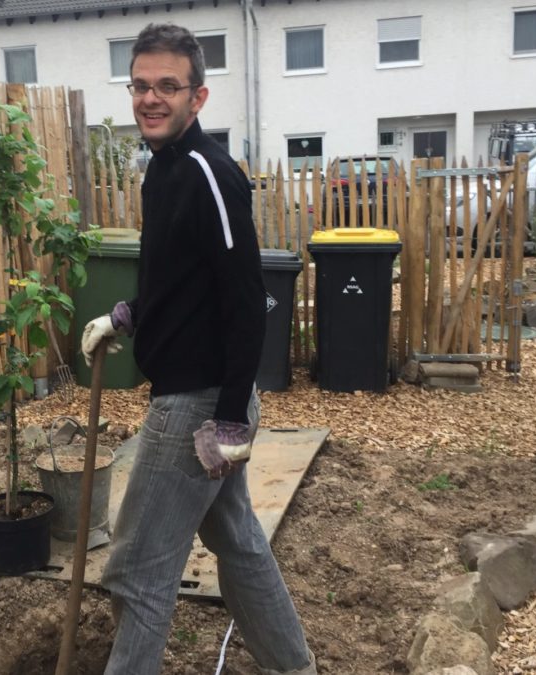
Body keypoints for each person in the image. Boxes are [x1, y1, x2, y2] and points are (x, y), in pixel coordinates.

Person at [80, 22, 317, 675]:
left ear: (198, 98)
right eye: (141, 86)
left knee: (135, 570)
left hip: (200, 406)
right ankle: (293, 665)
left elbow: (246, 299)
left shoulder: (209, 174)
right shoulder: (163, 170)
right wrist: (127, 313)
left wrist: (233, 417)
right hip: (200, 394)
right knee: (235, 539)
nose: (151, 99)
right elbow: (179, 277)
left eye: (168, 87)